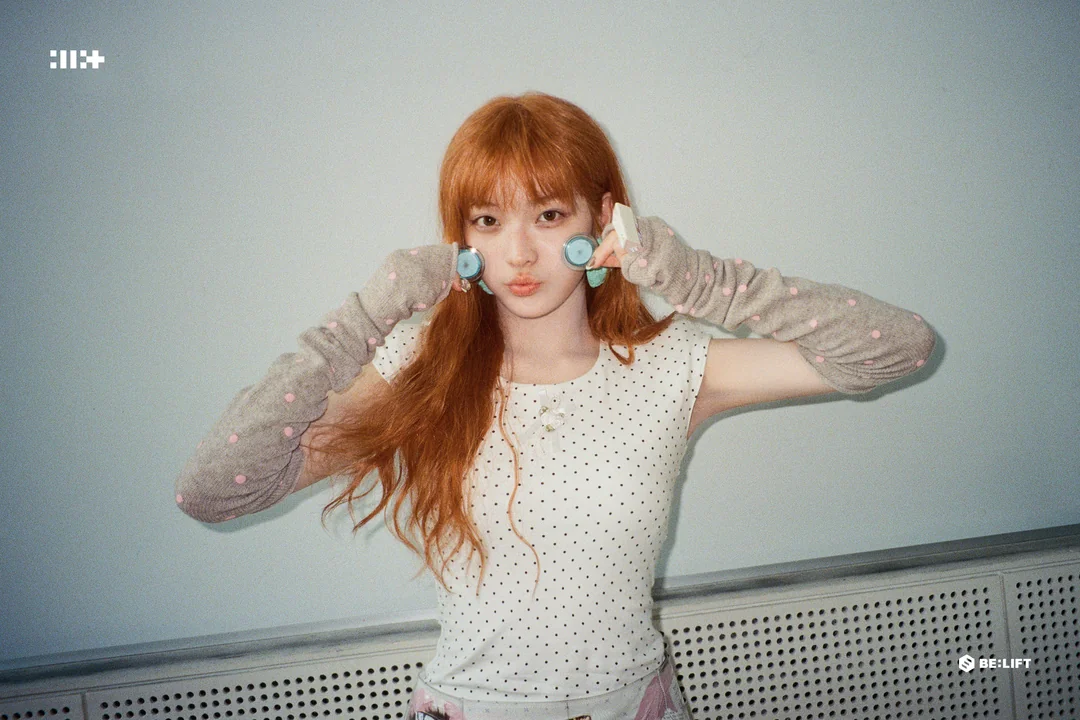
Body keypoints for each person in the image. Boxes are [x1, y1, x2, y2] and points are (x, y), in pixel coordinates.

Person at [176, 92, 936, 720]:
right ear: (460, 238)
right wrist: (363, 318)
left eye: (547, 216)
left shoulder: (672, 366)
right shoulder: (418, 367)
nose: (517, 255)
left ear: (602, 220)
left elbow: (898, 347)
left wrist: (699, 280)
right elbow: (212, 491)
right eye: (487, 220)